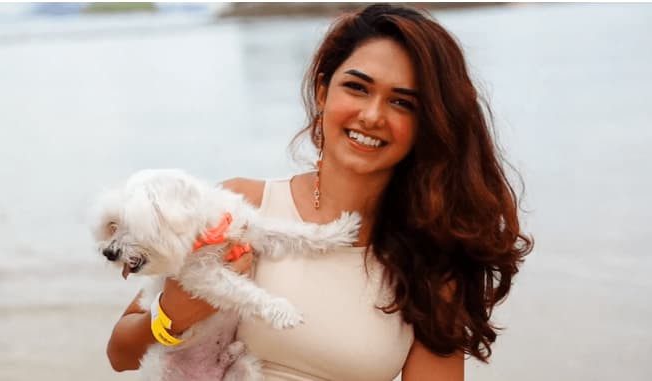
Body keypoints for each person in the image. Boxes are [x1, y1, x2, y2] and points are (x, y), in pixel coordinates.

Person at [106, 3, 533, 380]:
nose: (371, 115)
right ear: (323, 91)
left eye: (402, 103)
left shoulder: (432, 264)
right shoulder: (241, 206)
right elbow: (121, 354)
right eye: (357, 87)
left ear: (427, 123)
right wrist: (171, 318)